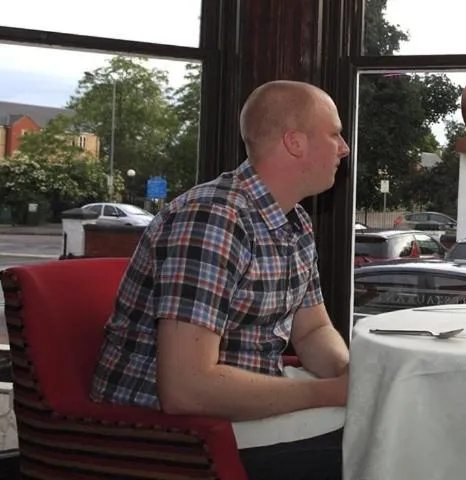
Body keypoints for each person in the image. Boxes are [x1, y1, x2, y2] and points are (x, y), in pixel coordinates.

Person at [91, 80, 352, 480]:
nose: (344, 148)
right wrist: (329, 392)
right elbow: (186, 388)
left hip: (241, 404)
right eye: (334, 134)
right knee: (369, 449)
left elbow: (313, 330)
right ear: (295, 142)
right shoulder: (212, 219)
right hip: (163, 428)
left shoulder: (295, 222)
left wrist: (348, 375)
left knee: (382, 427)